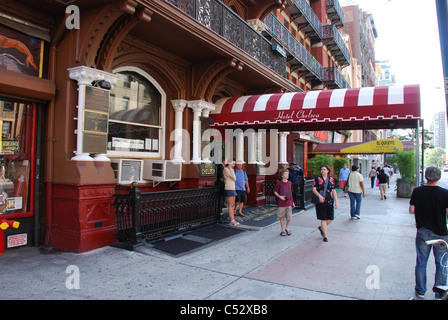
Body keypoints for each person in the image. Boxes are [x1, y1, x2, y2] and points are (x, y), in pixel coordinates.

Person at [409, 167, 448, 300]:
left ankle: (420, 290)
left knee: (421, 261)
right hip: (441, 233)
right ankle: (440, 292)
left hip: (423, 232)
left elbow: (411, 210)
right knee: (441, 262)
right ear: (439, 177)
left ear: (425, 176)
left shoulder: (417, 191)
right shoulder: (445, 193)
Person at [312, 165, 338, 242]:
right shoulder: (317, 179)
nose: (322, 171)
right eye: (321, 169)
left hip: (329, 200)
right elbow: (314, 189)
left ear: (328, 171)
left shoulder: (331, 179)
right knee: (323, 218)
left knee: (330, 218)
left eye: (324, 169)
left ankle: (322, 228)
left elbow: (333, 190)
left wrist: (336, 201)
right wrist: (319, 196)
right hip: (321, 201)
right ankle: (325, 236)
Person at [273, 169, 295, 236]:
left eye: (287, 174)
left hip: (289, 202)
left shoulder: (290, 183)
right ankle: (282, 229)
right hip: (281, 203)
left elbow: (291, 193)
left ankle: (287, 228)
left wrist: (293, 202)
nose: (287, 175)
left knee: (289, 217)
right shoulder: (279, 183)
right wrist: (280, 197)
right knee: (281, 217)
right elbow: (275, 191)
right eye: (285, 174)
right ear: (282, 176)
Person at [223, 159, 239, 226]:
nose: (234, 165)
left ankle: (233, 218)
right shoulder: (226, 169)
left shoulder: (232, 170)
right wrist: (230, 168)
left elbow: (234, 178)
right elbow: (233, 177)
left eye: (234, 163)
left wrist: (231, 171)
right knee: (230, 204)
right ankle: (232, 220)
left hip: (233, 187)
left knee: (233, 204)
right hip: (228, 187)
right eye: (233, 163)